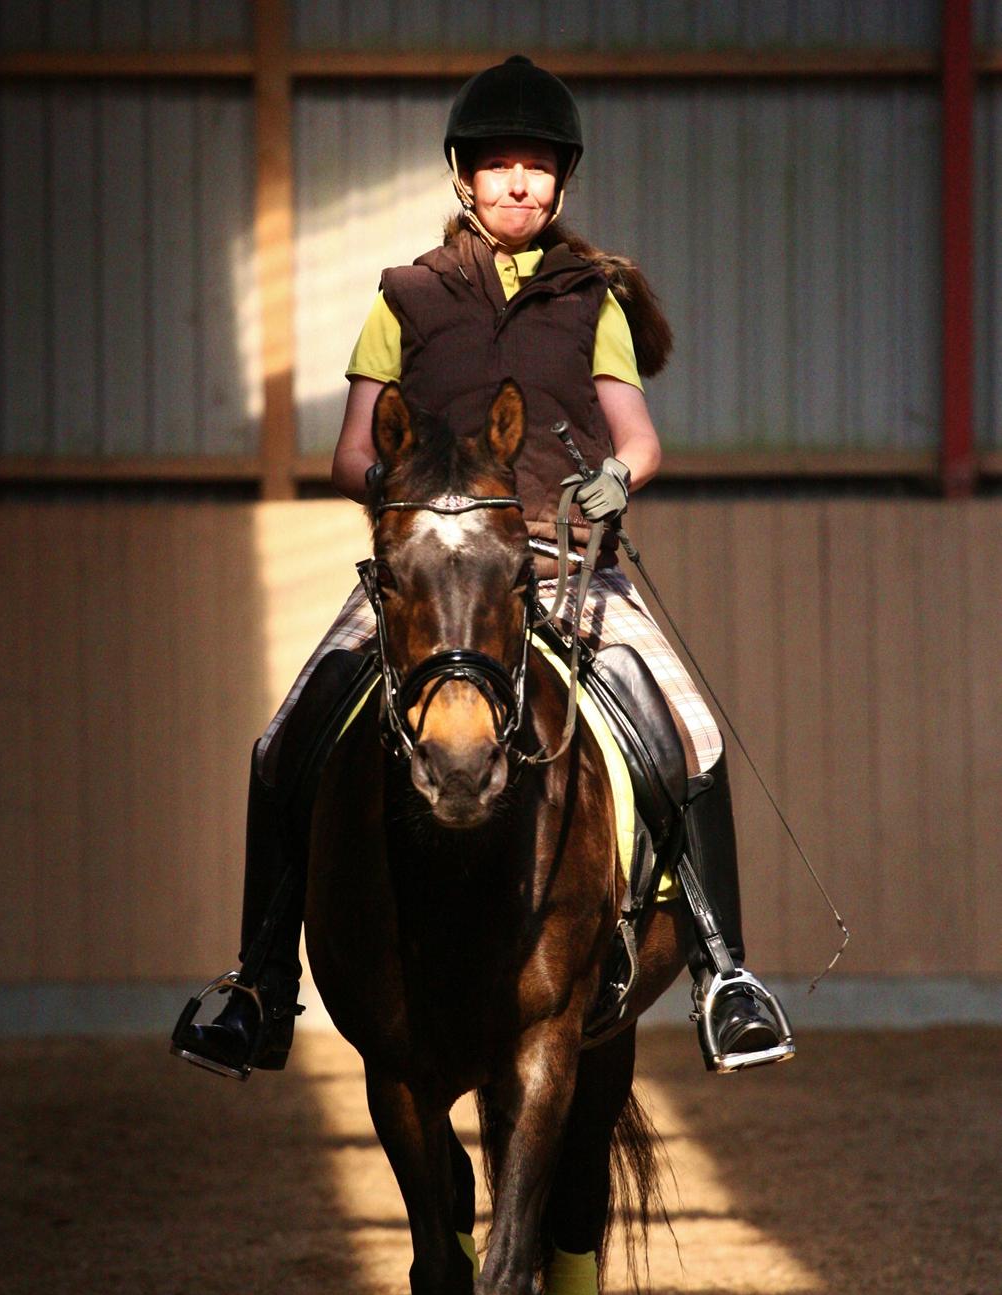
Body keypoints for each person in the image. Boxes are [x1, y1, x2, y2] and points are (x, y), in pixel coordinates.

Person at [171, 55, 791, 1081]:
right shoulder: (403, 297)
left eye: (537, 169)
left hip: (559, 567)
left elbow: (636, 437)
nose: (518, 184)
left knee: (689, 729)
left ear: (560, 183)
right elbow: (348, 452)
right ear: (463, 178)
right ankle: (259, 982)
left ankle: (724, 974)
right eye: (498, 166)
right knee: (284, 738)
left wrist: (615, 483)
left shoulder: (591, 300)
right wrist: (409, 510)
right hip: (426, 574)